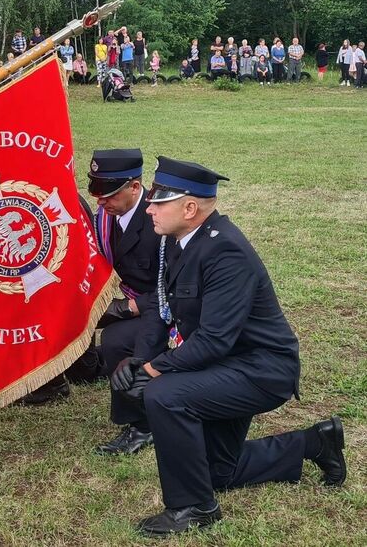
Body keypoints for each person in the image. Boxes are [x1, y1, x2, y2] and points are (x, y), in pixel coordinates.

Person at [111, 156, 347, 537]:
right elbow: (163, 308)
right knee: (219, 472)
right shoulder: (179, 240)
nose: (150, 208)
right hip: (227, 365)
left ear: (190, 208)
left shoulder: (225, 250)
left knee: (165, 395)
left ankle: (193, 507)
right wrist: (140, 359)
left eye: (159, 201)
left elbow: (215, 339)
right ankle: (314, 443)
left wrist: (154, 371)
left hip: (262, 370)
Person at [87, 149, 164, 453]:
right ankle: (82, 368)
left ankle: (141, 426)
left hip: (169, 308)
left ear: (135, 187)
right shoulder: (106, 217)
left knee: (117, 341)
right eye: (96, 191)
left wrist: (130, 307)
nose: (100, 201)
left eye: (109, 194)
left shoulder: (158, 222)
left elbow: (180, 285)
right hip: (138, 301)